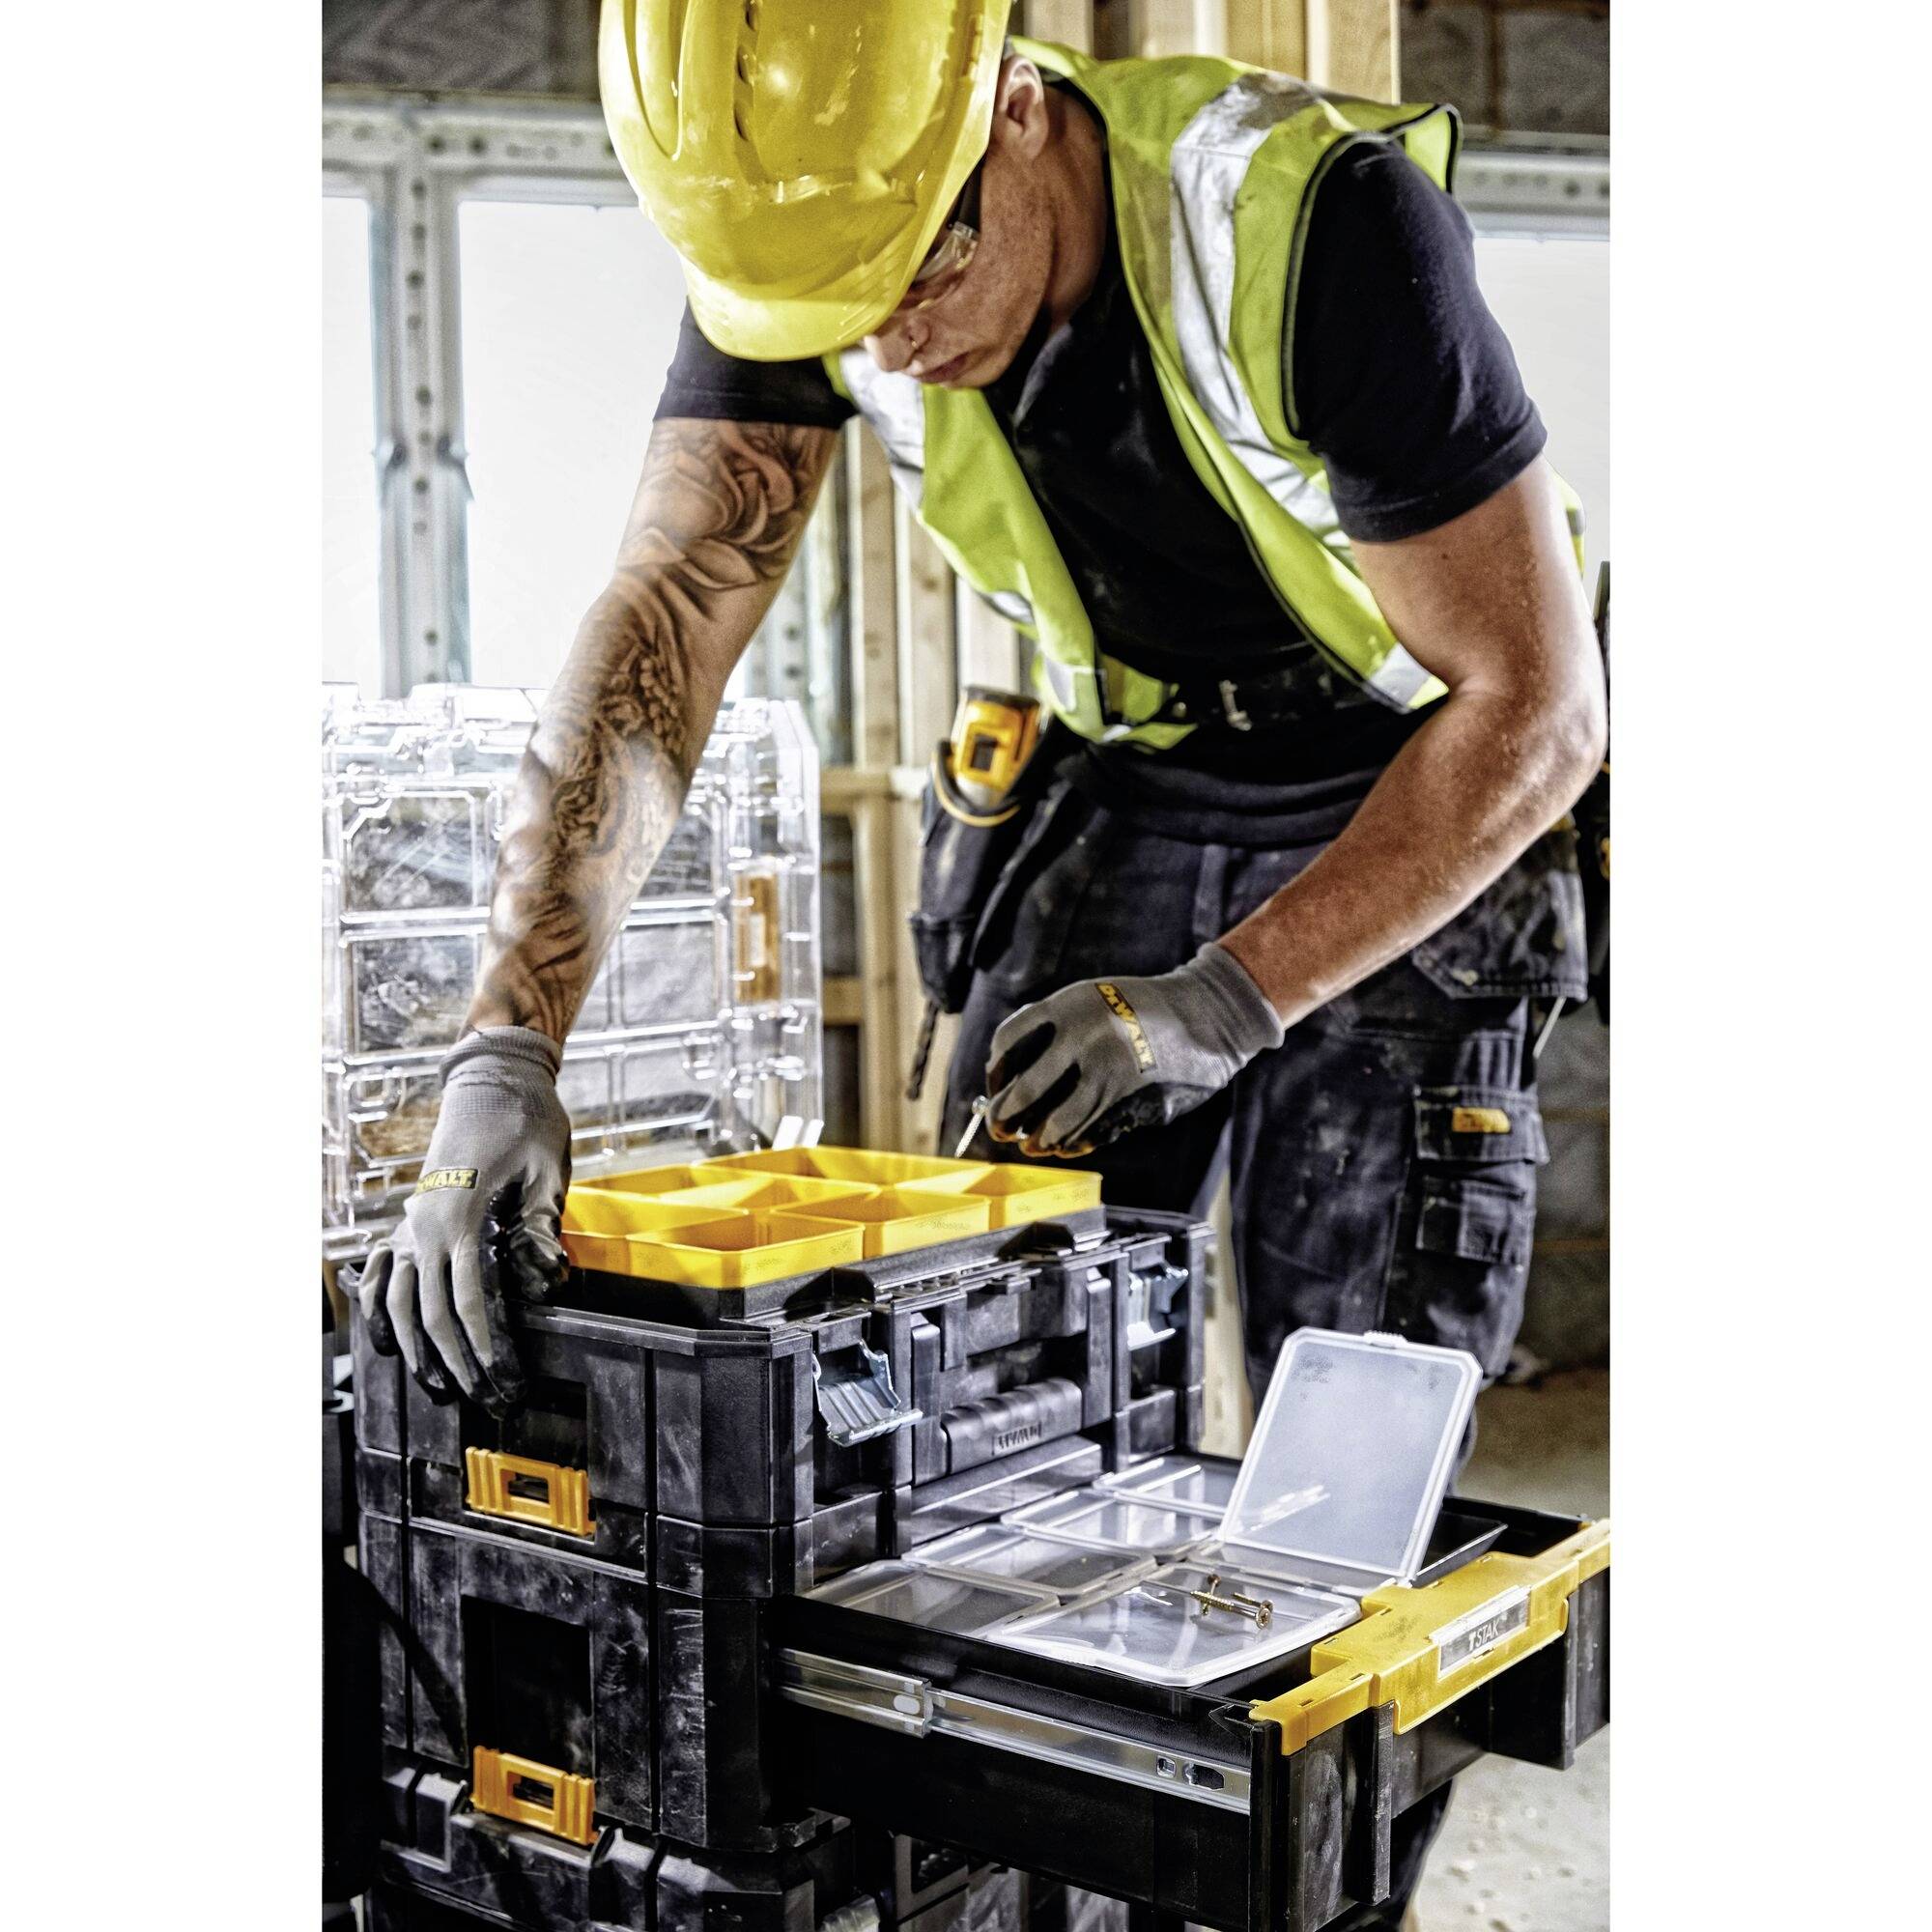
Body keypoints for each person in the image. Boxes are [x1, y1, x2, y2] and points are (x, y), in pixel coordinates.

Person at [357, 12, 1605, 1923]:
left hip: (1399, 777)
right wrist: (500, 1054)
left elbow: (1533, 709)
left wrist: (1231, 993)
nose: (887, 345)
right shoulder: (818, 226)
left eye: (918, 273)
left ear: (1016, 108)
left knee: (1351, 1473)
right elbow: (668, 629)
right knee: (961, 1397)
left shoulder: (1312, 225)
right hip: (1122, 775)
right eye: (834, 312)